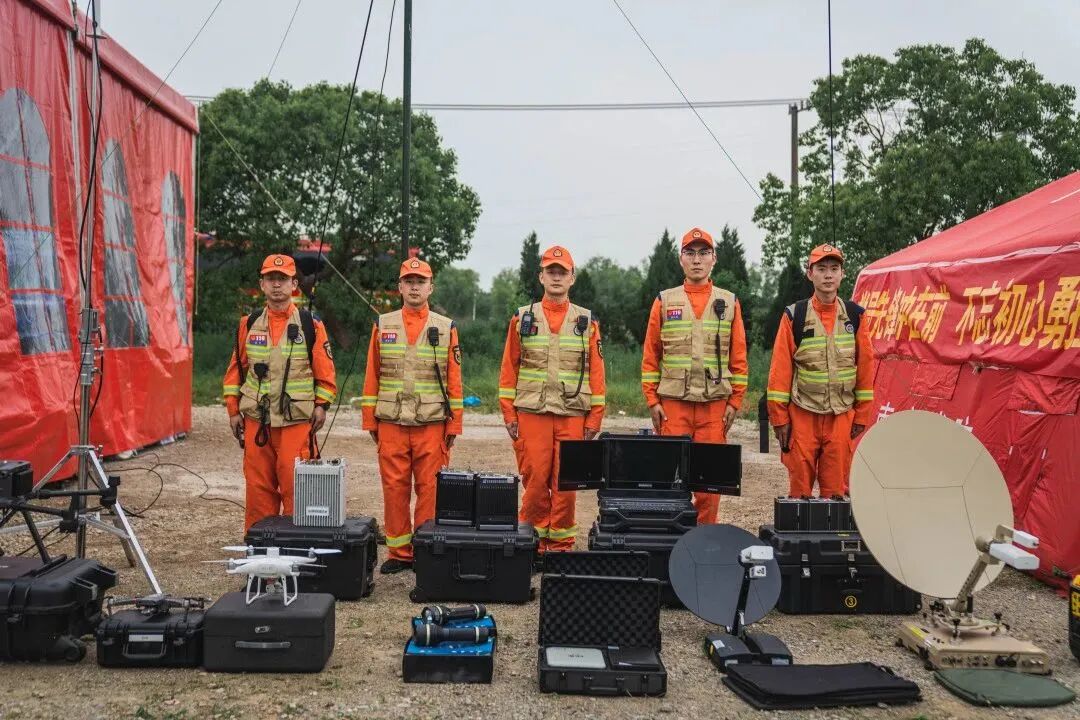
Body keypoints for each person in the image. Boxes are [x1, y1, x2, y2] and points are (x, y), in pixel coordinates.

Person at [498, 245, 605, 553]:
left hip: (573, 416)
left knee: (566, 484)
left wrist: (595, 417)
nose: (556, 277)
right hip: (532, 414)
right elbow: (509, 369)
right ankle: (530, 543)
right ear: (541, 277)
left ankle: (559, 546)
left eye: (562, 272)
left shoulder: (587, 322)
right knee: (534, 481)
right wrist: (509, 414)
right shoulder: (522, 318)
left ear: (572, 278)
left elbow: (597, 373)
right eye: (551, 272)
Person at [360, 258, 463, 574]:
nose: (415, 287)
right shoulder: (383, 324)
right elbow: (372, 375)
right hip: (391, 422)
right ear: (400, 287)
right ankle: (399, 552)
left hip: (432, 424)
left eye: (421, 282)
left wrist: (454, 424)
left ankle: (425, 549)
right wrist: (370, 421)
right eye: (409, 281)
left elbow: (454, 380)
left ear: (431, 287)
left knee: (430, 490)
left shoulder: (446, 327)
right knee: (395, 489)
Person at [640, 227, 748, 525]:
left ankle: (702, 541)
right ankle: (670, 541)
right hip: (673, 406)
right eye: (690, 253)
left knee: (709, 485)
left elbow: (739, 358)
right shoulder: (664, 301)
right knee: (669, 479)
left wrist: (734, 402)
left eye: (703, 253)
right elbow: (651, 356)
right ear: (681, 259)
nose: (697, 260)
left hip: (714, 408)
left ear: (714, 258)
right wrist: (652, 400)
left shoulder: (729, 303)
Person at [223, 254, 337, 530]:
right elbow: (236, 369)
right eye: (271, 279)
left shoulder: (311, 325)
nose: (276, 285)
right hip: (257, 421)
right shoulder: (248, 323)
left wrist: (321, 405)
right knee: (258, 487)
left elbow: (325, 372)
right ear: (262, 284)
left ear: (294, 285)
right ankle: (261, 544)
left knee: (296, 484)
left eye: (282, 279)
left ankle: (296, 543)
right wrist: (233, 410)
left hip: (296, 421)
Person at [766, 243, 874, 498]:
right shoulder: (794, 316)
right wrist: (780, 419)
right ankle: (799, 525)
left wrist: (861, 416)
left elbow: (866, 368)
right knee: (799, 492)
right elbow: (780, 370)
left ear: (842, 274)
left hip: (840, 417)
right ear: (809, 273)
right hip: (802, 415)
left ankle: (830, 525)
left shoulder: (856, 316)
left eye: (834, 269)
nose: (828, 275)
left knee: (835, 493)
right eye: (821, 269)